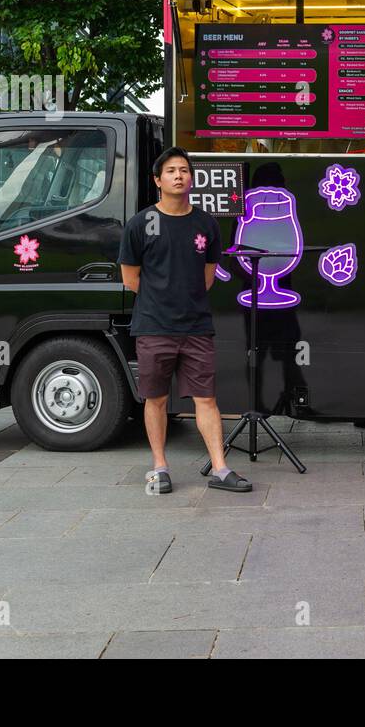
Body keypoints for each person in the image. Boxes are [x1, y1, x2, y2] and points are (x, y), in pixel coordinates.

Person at [118, 146, 252, 494]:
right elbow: (130, 279)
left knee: (206, 399)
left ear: (191, 178)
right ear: (157, 180)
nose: (179, 176)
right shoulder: (140, 224)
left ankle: (220, 469)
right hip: (153, 327)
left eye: (184, 170)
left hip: (196, 326)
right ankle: (160, 468)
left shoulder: (205, 223)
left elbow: (207, 276)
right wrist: (160, 300)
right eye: (171, 171)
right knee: (157, 398)